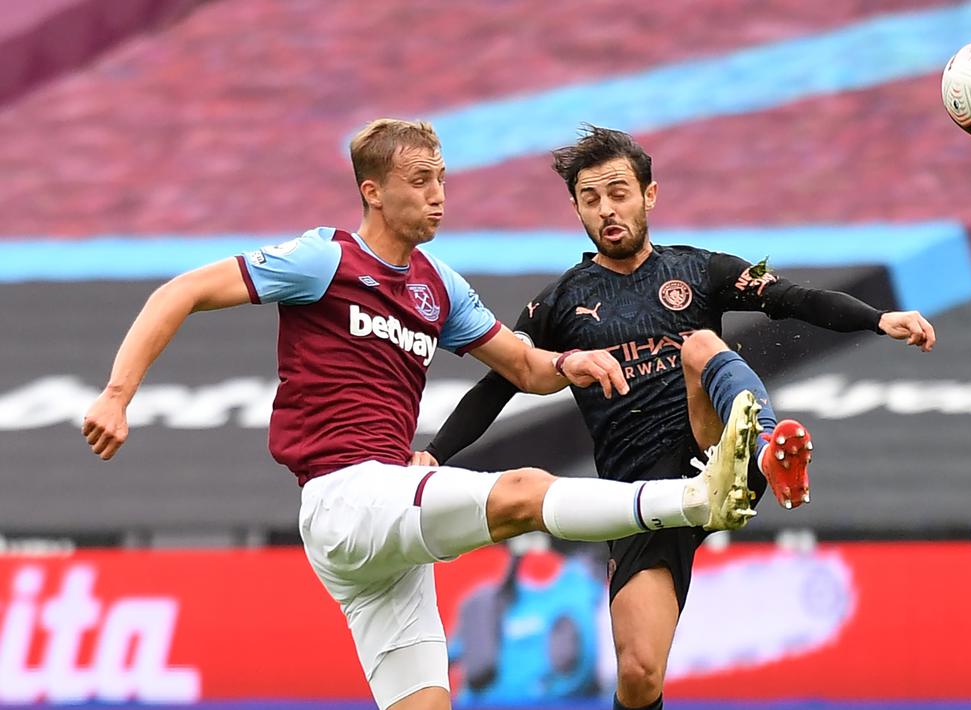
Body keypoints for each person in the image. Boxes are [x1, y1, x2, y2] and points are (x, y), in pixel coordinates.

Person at [79, 119, 763, 710]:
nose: (438, 194)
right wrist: (116, 393)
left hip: (379, 538)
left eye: (442, 178)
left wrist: (568, 364)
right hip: (346, 497)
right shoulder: (325, 259)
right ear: (373, 191)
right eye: (420, 180)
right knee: (522, 491)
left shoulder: (439, 286)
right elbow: (183, 290)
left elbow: (522, 367)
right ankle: (697, 496)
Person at [422, 125, 937, 710]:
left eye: (618, 192)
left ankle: (766, 448)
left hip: (713, 451)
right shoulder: (560, 301)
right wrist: (433, 455)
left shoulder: (699, 271)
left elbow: (795, 298)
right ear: (576, 209)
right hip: (636, 495)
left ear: (650, 194)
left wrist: (878, 319)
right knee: (639, 676)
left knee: (700, 349)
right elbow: (502, 384)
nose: (606, 209)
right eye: (590, 200)